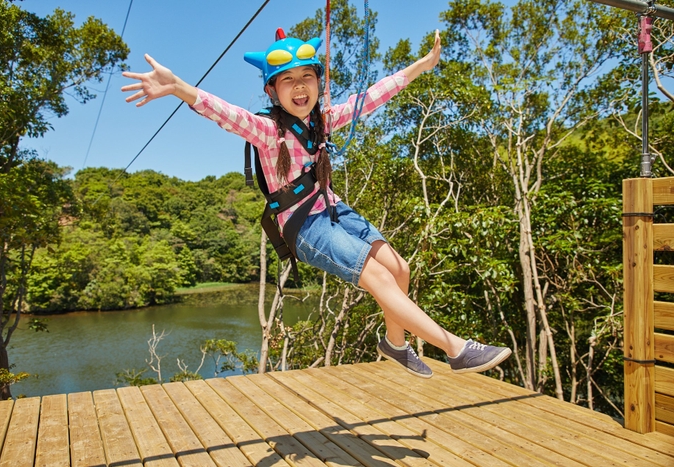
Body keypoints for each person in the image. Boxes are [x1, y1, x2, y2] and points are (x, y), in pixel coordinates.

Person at [121, 27, 511, 378]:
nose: (299, 85)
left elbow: (371, 98)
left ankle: (394, 344)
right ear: (272, 91)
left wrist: (421, 66)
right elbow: (226, 114)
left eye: (307, 76)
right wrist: (178, 87)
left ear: (318, 83)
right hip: (304, 225)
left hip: (335, 210)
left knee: (398, 268)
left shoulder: (322, 121)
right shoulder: (267, 129)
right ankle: (455, 348)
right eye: (287, 79)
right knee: (377, 278)